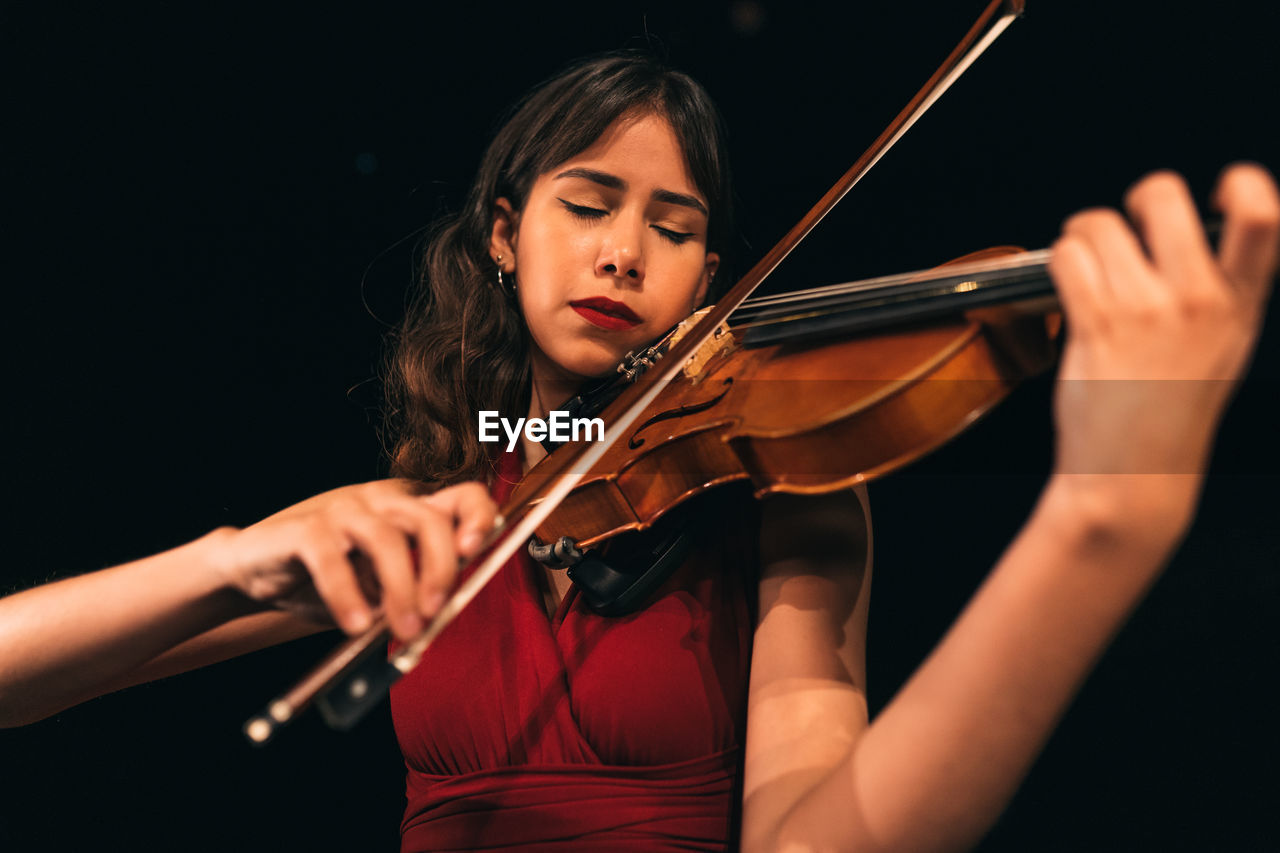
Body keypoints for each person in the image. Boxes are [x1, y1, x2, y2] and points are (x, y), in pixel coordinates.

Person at [1, 51, 1277, 852]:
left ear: (711, 280)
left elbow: (815, 837)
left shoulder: (780, 493)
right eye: (587, 203)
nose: (623, 252)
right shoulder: (422, 513)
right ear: (504, 235)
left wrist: (1095, 525)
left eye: (672, 229)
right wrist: (232, 558)